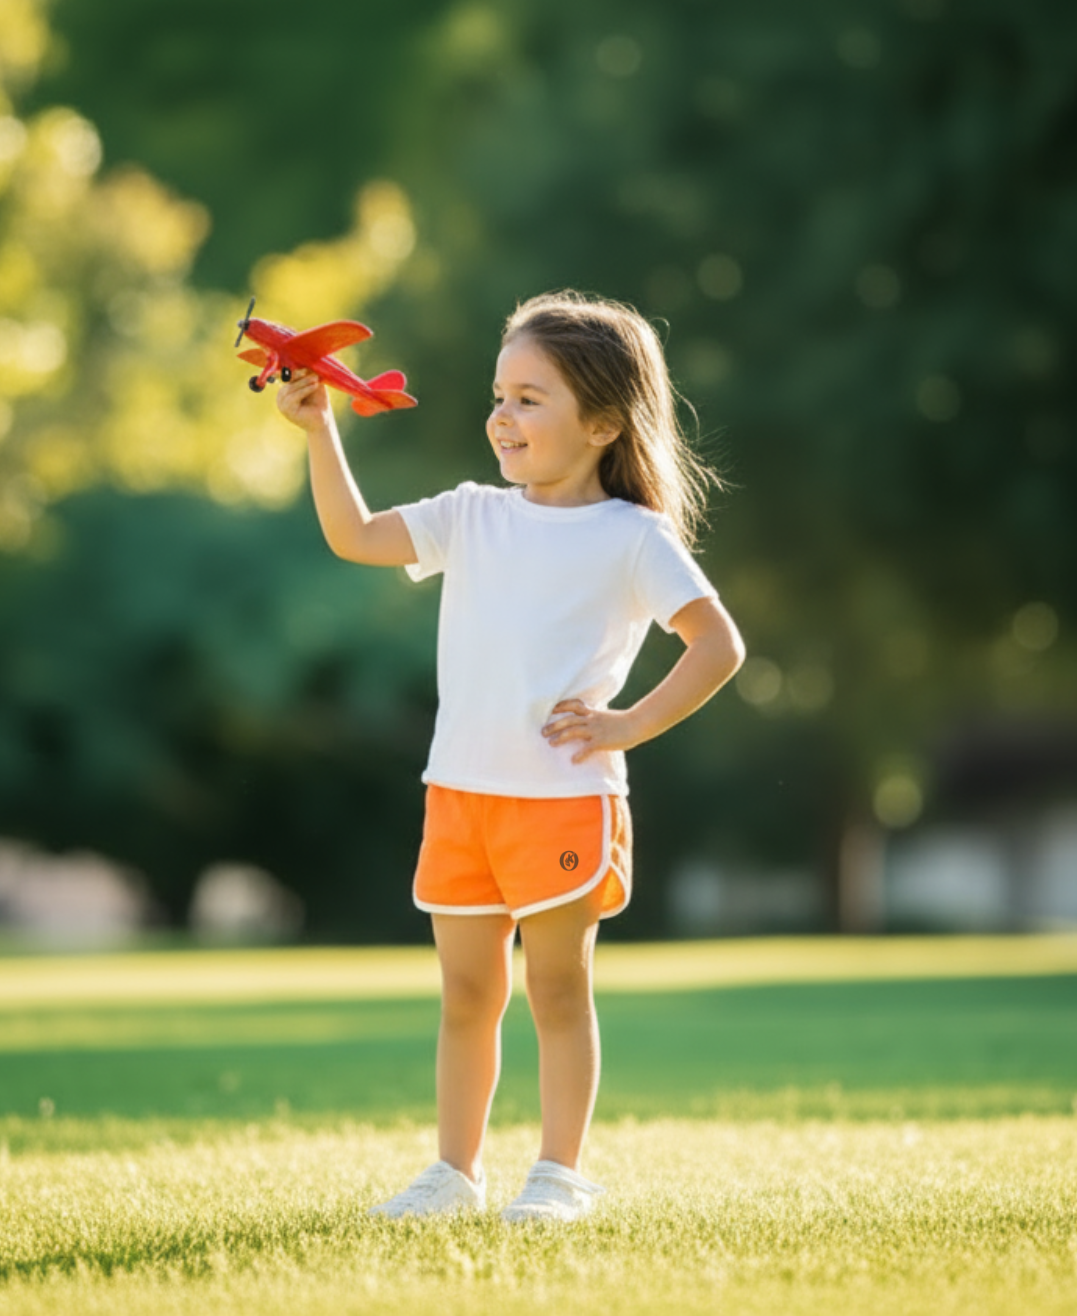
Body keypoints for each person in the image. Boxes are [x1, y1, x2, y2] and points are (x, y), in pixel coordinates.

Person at [276, 290, 745, 1222]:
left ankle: (559, 1175)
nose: (502, 416)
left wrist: (625, 726)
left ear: (603, 422)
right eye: (500, 395)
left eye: (531, 398)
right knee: (466, 992)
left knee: (557, 988)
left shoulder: (632, 536)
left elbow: (718, 646)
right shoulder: (470, 513)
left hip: (563, 801)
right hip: (460, 795)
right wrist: (320, 428)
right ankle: (454, 1173)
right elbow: (355, 536)